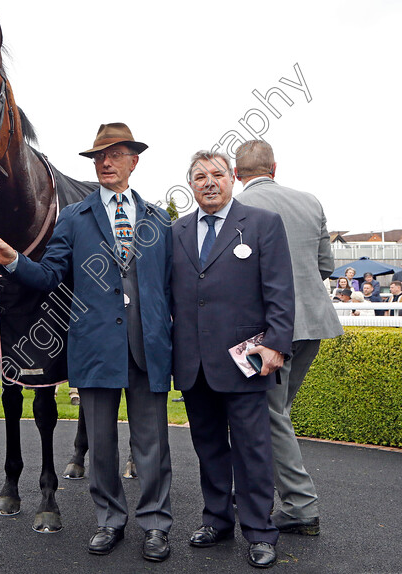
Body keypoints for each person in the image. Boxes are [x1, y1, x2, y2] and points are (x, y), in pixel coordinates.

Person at [0, 122, 174, 562]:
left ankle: (157, 525)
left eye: (115, 155)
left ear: (133, 161)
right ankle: (109, 521)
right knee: (101, 445)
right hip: (95, 349)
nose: (106, 162)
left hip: (148, 348)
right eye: (99, 156)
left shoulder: (160, 220)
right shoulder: (74, 218)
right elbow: (48, 277)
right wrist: (14, 260)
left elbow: (170, 288)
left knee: (152, 444)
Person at [171, 150, 294, 569]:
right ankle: (217, 520)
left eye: (217, 174)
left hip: (247, 360)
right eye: (200, 176)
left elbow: (279, 290)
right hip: (193, 363)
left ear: (233, 178)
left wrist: (276, 344)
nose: (209, 182)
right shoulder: (177, 231)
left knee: (252, 450)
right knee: (208, 448)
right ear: (191, 185)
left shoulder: (262, 224)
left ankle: (260, 531)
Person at [236, 139, 343, 538]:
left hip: (268, 331)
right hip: (312, 324)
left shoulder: (242, 210)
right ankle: (252, 488)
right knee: (274, 414)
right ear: (274, 168)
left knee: (269, 416)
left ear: (235, 174)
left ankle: (301, 506)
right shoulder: (310, 201)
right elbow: (325, 266)